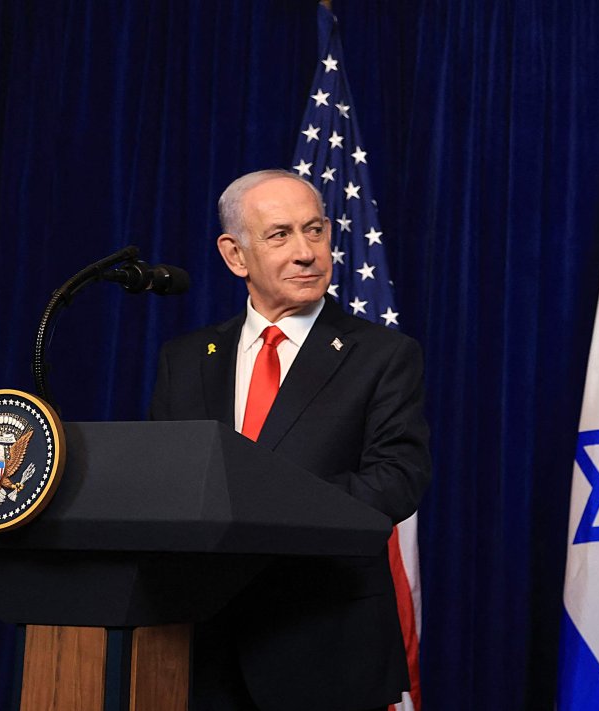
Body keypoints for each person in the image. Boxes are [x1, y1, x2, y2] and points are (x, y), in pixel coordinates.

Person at [149, 169, 431, 710]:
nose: (306, 252)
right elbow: (169, 483)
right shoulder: (184, 360)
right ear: (236, 255)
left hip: (325, 645)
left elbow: (397, 481)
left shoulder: (383, 355)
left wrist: (268, 512)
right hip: (201, 652)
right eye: (280, 235)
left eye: (316, 230)